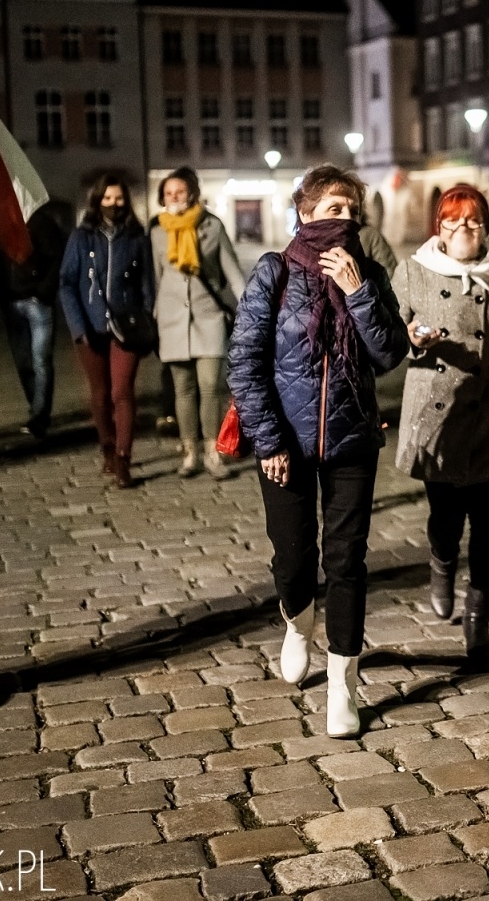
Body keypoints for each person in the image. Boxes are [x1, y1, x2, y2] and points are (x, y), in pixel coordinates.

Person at [228, 165, 409, 737]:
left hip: (353, 438)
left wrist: (357, 292)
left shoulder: (370, 273)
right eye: (332, 208)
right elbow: (245, 361)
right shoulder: (274, 273)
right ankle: (297, 621)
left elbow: (388, 354)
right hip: (286, 443)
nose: (343, 218)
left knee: (347, 561)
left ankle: (342, 688)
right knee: (293, 557)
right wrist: (269, 439)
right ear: (304, 214)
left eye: (351, 210)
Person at [393, 185, 489, 656]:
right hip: (436, 415)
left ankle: (479, 612)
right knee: (444, 515)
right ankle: (441, 564)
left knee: (488, 520)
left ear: (485, 227)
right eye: (452, 220)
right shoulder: (414, 271)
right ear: (439, 226)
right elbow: (388, 334)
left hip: (488, 412)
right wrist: (412, 336)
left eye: (472, 220)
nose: (462, 229)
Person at [60, 175, 155, 489]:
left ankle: (123, 458)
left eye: (119, 198)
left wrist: (146, 320)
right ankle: (107, 447)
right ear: (97, 201)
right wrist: (78, 327)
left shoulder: (136, 237)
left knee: (122, 392)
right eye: (108, 198)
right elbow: (68, 284)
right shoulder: (82, 236)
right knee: (100, 396)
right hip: (90, 325)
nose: (114, 204)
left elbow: (146, 284)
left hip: (127, 325)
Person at [151, 167, 245, 479]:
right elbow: (156, 277)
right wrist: (155, 314)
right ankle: (189, 451)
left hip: (209, 316)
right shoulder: (157, 232)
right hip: (173, 319)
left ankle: (212, 452)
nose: (174, 197)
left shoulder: (212, 226)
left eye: (179, 191)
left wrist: (250, 308)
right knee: (183, 388)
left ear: (191, 193)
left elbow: (232, 272)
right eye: (168, 193)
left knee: (209, 386)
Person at [0, 202, 70, 438]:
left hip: (37, 302)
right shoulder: (2, 223)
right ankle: (35, 407)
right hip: (12, 302)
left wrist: (43, 292)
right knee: (24, 362)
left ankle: (39, 416)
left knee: (40, 361)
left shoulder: (41, 222)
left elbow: (58, 258)